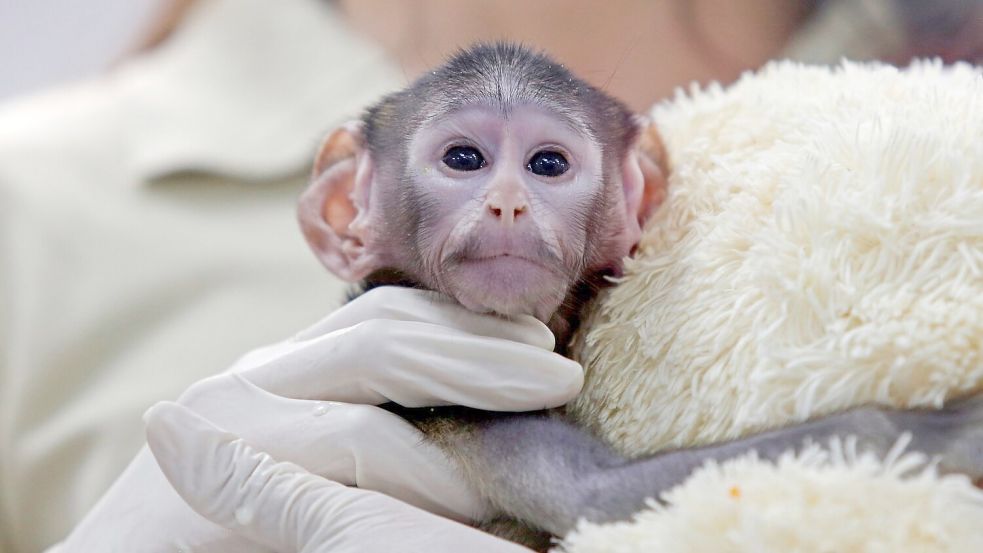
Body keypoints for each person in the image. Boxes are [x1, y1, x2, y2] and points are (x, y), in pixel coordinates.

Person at [2, 0, 979, 551]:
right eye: (462, 161)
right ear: (344, 209)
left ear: (632, 204)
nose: (509, 204)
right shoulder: (34, 206)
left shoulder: (937, 117)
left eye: (551, 167)